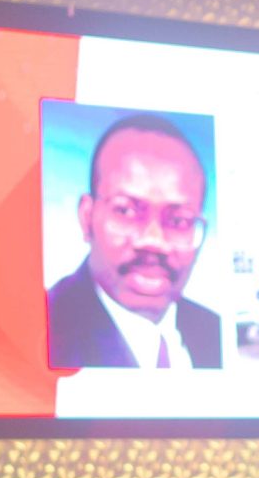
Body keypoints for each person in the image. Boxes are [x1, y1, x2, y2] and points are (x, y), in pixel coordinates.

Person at [46, 114, 225, 370]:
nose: (154, 241)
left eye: (179, 221)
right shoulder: (40, 330)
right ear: (87, 218)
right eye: (126, 211)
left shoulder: (214, 331)